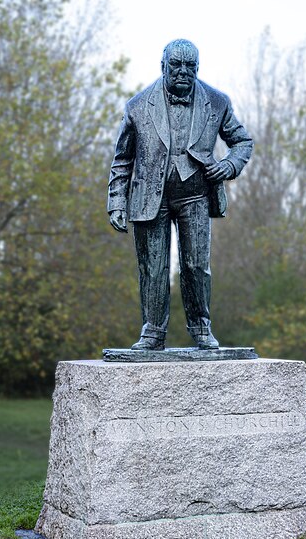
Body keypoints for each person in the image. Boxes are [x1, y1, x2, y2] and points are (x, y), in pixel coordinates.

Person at [108, 39, 253, 350]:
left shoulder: (216, 102)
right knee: (154, 266)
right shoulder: (137, 106)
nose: (184, 72)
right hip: (150, 197)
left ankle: (202, 327)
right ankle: (153, 331)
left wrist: (228, 166)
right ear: (163, 67)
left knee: (196, 265)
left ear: (198, 68)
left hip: (196, 195)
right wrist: (116, 203)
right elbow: (123, 159)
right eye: (177, 66)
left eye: (191, 66)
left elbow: (242, 142)